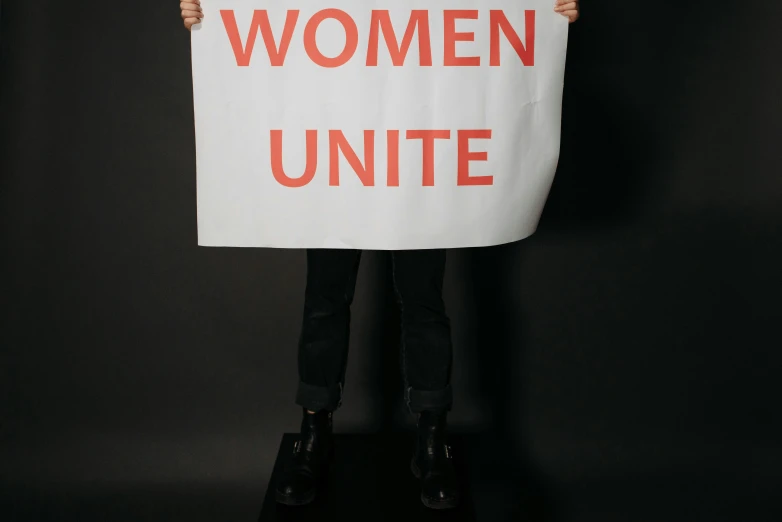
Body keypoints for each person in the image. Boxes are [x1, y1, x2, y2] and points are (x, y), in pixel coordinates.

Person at [179, 0, 580, 510]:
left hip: (416, 155)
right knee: (325, 297)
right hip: (337, 150)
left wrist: (542, 13)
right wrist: (212, 13)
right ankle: (313, 433)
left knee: (423, 300)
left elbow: (484, 22)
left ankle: (432, 441)